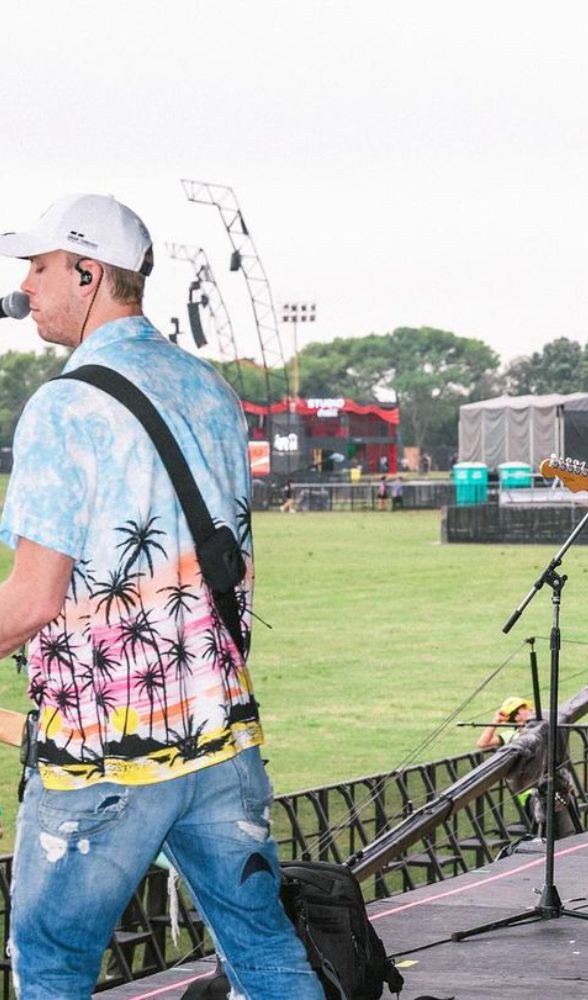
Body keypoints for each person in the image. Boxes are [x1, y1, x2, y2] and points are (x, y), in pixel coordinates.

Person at [0, 194, 323, 998]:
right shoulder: (209, 390)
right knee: (264, 949)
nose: (25, 288)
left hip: (106, 757)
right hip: (220, 732)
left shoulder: (63, 406)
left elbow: (34, 600)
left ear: (88, 272)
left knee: (51, 966)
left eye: (39, 268)